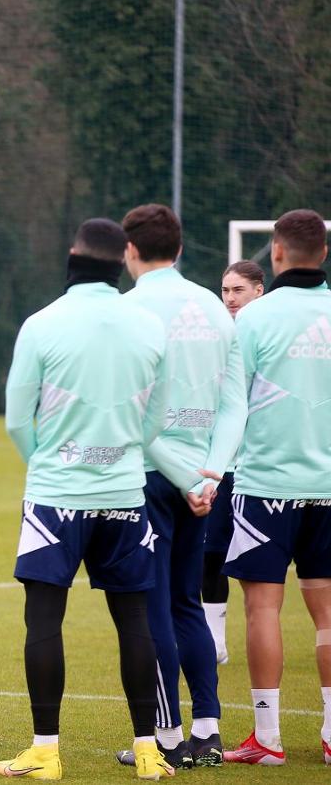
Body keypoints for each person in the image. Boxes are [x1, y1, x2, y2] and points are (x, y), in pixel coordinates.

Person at [0, 218, 172, 781]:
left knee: (44, 619)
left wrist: (51, 464)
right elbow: (155, 420)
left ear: (73, 255)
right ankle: (148, 750)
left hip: (57, 497)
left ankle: (46, 752)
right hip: (125, 492)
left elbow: (17, 420)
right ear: (123, 256)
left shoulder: (42, 324)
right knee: (135, 619)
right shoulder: (148, 325)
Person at [109, 204, 246, 770]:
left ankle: (166, 737)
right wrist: (210, 472)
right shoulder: (215, 307)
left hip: (148, 473)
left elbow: (133, 412)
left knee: (152, 607)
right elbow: (236, 401)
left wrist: (184, 475)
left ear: (129, 250)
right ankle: (209, 730)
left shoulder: (126, 309)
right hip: (205, 479)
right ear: (182, 249)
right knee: (189, 601)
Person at [221, 209, 331, 766]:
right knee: (329, 614)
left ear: (278, 255)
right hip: (330, 486)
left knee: (263, 608)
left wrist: (212, 469)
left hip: (266, 485)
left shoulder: (254, 320)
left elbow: (231, 405)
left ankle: (268, 738)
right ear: (325, 254)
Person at [201, 260, 265, 664]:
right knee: (210, 553)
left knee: (260, 569)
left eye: (238, 290)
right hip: (225, 464)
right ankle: (216, 641)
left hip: (262, 469)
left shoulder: (264, 331)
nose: (229, 298)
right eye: (225, 290)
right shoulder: (220, 335)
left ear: (259, 290)